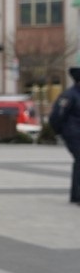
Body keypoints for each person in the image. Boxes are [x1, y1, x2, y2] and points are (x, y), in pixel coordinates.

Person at [49, 67, 80, 204]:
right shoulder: (69, 95)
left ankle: (76, 194)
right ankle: (77, 195)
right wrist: (61, 132)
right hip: (73, 133)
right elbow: (56, 116)